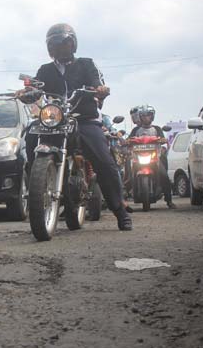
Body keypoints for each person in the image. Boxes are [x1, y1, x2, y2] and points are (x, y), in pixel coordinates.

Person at [21, 23, 132, 231]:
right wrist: (26, 93)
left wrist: (99, 89)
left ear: (72, 44)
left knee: (103, 159)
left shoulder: (86, 64)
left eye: (63, 44)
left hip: (84, 119)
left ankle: (120, 210)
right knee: (30, 135)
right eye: (54, 45)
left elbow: (97, 80)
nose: (58, 48)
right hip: (54, 120)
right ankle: (36, 180)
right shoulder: (45, 70)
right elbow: (35, 89)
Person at [128, 105, 176, 209]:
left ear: (152, 117)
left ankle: (169, 201)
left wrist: (163, 143)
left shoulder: (157, 129)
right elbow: (128, 141)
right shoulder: (136, 130)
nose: (146, 118)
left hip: (154, 158)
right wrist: (125, 142)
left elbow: (163, 141)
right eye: (144, 116)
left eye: (148, 115)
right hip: (138, 158)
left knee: (164, 176)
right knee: (128, 176)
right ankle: (124, 198)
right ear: (140, 117)